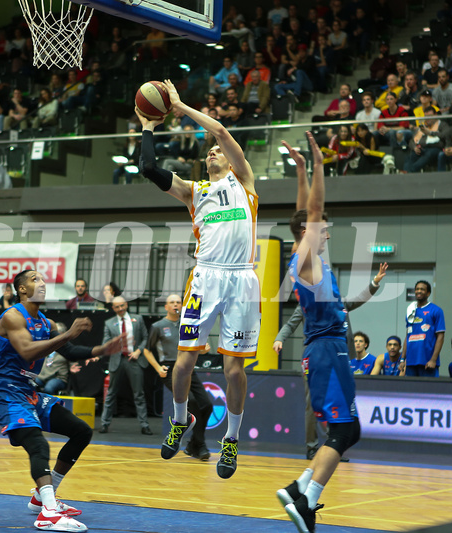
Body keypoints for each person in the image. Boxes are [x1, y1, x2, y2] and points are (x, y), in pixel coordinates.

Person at [138, 80, 260, 480]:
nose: (212, 152)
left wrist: (178, 105)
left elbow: (221, 132)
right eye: (207, 152)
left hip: (242, 279)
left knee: (233, 372)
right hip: (205, 277)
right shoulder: (195, 191)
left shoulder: (243, 181)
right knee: (184, 360)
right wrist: (149, 128)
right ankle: (178, 420)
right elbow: (149, 169)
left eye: (215, 151)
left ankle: (231, 440)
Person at [0, 269, 121, 531]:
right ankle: (48, 513)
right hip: (6, 390)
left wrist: (100, 350)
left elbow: (67, 351)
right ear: (21, 289)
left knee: (81, 431)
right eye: (35, 279)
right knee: (38, 444)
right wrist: (68, 334)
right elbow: (26, 351)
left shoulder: (47, 324)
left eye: (43, 279)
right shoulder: (13, 316)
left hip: (29, 390)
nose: (43, 283)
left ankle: (42, 498)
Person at [276, 132, 360, 533]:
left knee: (346, 430)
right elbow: (312, 211)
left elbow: (300, 212)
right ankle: (304, 500)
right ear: (309, 232)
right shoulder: (307, 258)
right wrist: (321, 164)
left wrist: (301, 170)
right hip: (327, 350)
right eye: (320, 227)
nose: (325, 230)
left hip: (325, 349)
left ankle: (300, 490)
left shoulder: (301, 256)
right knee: (346, 430)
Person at [144, 294, 213, 460]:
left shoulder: (188, 324)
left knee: (207, 404)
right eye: (172, 302)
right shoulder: (158, 326)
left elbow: (201, 348)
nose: (175, 305)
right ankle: (200, 445)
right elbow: (147, 350)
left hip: (188, 366)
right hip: (170, 368)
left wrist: (203, 349)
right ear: (166, 307)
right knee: (192, 402)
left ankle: (193, 445)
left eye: (178, 302)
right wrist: (157, 367)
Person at [99, 295, 152, 435]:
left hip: (134, 359)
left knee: (139, 394)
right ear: (113, 308)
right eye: (117, 307)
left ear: (126, 305)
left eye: (122, 305)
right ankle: (104, 424)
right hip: (117, 360)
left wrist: (138, 351)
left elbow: (146, 338)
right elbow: (106, 343)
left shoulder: (138, 319)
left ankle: (145, 425)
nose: (120, 309)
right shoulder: (109, 323)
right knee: (110, 394)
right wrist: (113, 344)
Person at [402, 280, 445, 377]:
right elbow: (407, 336)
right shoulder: (410, 311)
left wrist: (433, 360)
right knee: (410, 391)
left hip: (427, 362)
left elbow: (440, 336)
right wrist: (402, 359)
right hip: (410, 362)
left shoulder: (436, 310)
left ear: (428, 293)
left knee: (429, 391)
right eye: (417, 289)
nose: (419, 291)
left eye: (422, 289)